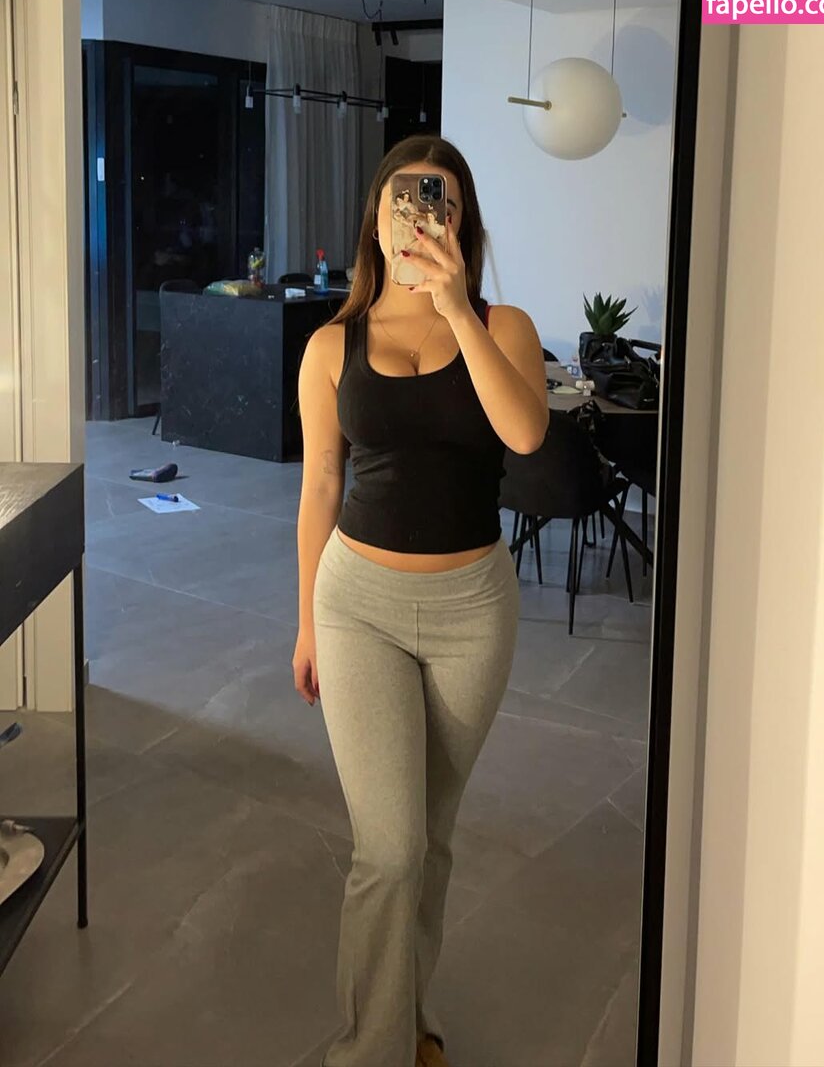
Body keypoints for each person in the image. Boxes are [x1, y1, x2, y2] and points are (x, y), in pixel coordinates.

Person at [294, 135, 549, 1067]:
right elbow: (321, 484)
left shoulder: (503, 326)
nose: (415, 218)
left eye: (434, 202)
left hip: (471, 612)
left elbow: (525, 432)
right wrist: (305, 622)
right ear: (377, 218)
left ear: (459, 220)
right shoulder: (332, 344)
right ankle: (368, 1051)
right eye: (400, 200)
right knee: (390, 847)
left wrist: (454, 306)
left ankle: (410, 1026)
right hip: (356, 604)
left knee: (431, 840)